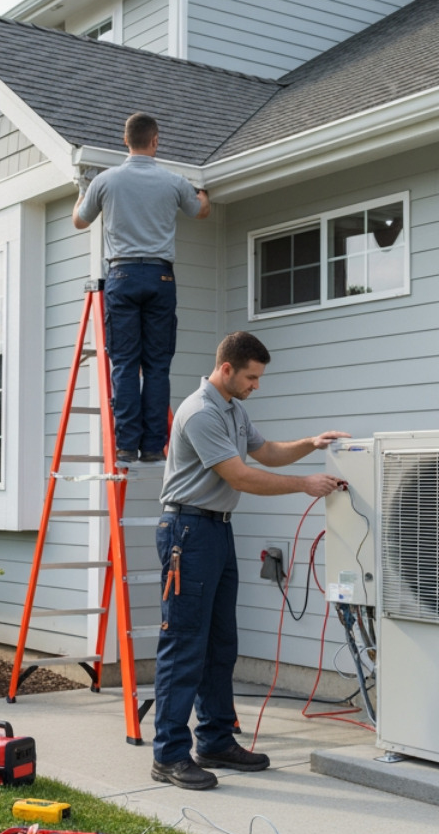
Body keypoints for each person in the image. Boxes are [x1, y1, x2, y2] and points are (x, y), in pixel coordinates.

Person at [150, 331, 350, 790]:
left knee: (221, 644)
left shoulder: (233, 410)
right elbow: (239, 475)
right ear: (226, 370)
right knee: (184, 647)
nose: (256, 385)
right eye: (251, 377)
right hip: (188, 533)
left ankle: (216, 740)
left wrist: (312, 443)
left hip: (216, 530)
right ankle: (168, 755)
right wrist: (305, 484)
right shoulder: (200, 412)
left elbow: (266, 452)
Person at [73, 113, 210, 464]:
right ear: (155, 141)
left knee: (124, 363)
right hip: (161, 279)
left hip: (122, 276)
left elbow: (80, 220)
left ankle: (125, 446)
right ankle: (153, 447)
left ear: (125, 140)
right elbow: (199, 211)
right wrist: (204, 194)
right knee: (157, 365)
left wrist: (81, 193)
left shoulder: (106, 181)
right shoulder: (173, 181)